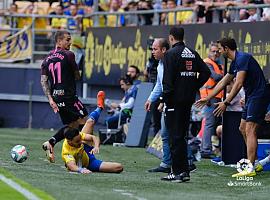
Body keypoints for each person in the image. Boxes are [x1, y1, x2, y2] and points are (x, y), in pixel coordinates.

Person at [195, 37, 270, 177]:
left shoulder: (242, 58)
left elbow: (239, 83)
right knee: (242, 128)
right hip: (251, 96)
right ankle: (253, 163)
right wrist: (208, 97)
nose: (218, 50)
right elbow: (224, 81)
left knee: (250, 129)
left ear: (226, 49)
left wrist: (226, 102)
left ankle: (250, 168)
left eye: (220, 48)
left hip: (259, 95)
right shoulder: (235, 62)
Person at [41, 30, 105, 163]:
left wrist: (51, 99)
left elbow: (43, 81)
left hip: (56, 97)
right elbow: (77, 76)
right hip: (68, 96)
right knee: (87, 121)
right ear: (59, 41)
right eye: (68, 40)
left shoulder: (46, 59)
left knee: (72, 126)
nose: (70, 43)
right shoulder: (69, 55)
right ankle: (88, 155)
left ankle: (51, 142)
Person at [161, 26, 211, 182]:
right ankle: (184, 171)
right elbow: (206, 73)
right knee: (181, 136)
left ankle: (177, 172)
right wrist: (193, 85)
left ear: (171, 38)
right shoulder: (192, 53)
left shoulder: (170, 54)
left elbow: (167, 80)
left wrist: (165, 99)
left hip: (174, 100)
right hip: (188, 100)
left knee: (174, 137)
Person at [62, 92, 123, 174]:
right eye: (77, 141)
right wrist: (81, 170)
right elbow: (71, 166)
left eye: (80, 139)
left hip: (86, 150)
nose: (81, 142)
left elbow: (94, 138)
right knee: (119, 167)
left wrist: (96, 147)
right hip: (89, 163)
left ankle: (100, 107)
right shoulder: (67, 152)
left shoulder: (79, 137)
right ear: (69, 141)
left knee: (90, 121)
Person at [145, 38, 171, 173]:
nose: (152, 52)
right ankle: (167, 163)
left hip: (174, 104)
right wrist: (150, 99)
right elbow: (160, 85)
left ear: (164, 49)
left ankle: (188, 161)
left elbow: (171, 85)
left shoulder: (170, 63)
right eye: (152, 49)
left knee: (174, 134)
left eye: (155, 49)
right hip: (167, 103)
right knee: (166, 134)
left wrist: (162, 100)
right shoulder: (160, 64)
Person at [200, 42, 223, 158]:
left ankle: (206, 148)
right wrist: (228, 77)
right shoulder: (207, 63)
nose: (215, 53)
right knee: (209, 124)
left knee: (211, 124)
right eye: (213, 51)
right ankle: (205, 150)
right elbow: (215, 77)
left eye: (217, 51)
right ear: (209, 52)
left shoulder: (217, 64)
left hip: (215, 97)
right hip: (209, 98)